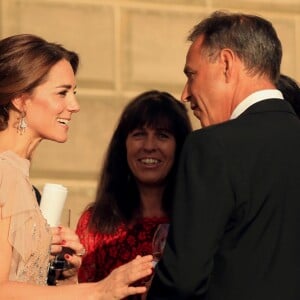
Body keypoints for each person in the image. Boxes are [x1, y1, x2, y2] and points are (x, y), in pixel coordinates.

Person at [147, 11, 300, 300]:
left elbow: (183, 279)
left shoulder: (211, 147)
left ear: (227, 63)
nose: (185, 94)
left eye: (192, 75)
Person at [0, 33, 153, 300]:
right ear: (21, 99)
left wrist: (65, 277)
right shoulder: (5, 173)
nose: (75, 106)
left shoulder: (18, 175)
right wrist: (99, 289)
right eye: (62, 93)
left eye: (74, 93)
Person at [76, 90, 192, 296]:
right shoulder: (95, 223)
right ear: (123, 146)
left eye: (162, 135)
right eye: (139, 134)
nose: (149, 146)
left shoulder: (196, 220)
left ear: (180, 146)